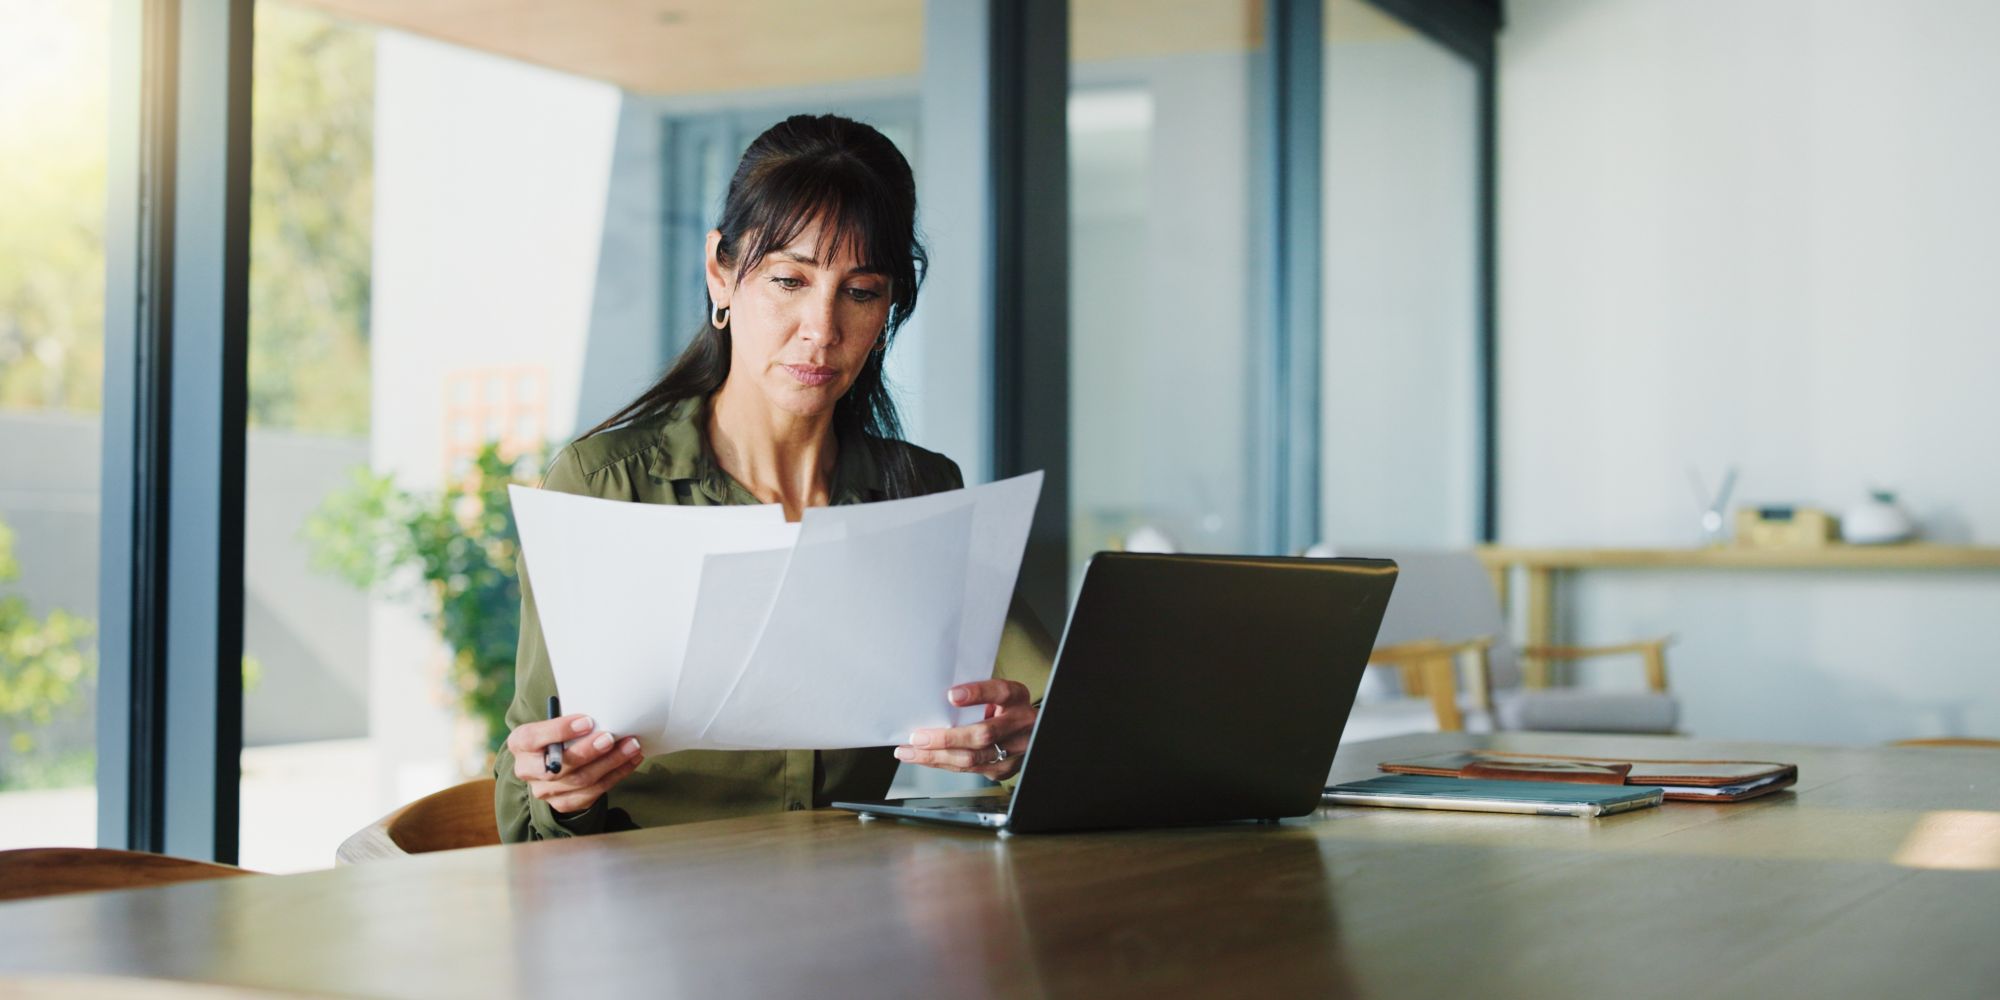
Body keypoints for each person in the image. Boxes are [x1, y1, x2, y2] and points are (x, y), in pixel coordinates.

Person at [494, 114, 1054, 842]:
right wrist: (561, 788)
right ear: (720, 275)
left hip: (853, 915)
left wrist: (1016, 743)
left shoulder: (921, 497)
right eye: (790, 280)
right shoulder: (604, 486)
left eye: (860, 291)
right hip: (642, 916)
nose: (821, 328)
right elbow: (525, 792)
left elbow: (1059, 723)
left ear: (889, 309)